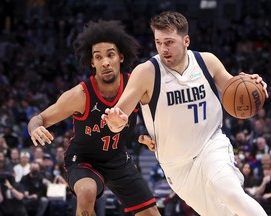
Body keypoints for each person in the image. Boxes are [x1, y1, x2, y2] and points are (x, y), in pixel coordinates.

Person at [102, 11, 269, 216]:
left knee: (231, 193)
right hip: (177, 166)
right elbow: (117, 117)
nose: (164, 49)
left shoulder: (207, 62)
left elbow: (236, 90)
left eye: (169, 42)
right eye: (158, 42)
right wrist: (116, 123)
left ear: (186, 40)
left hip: (211, 145)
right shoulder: (146, 73)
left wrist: (252, 86)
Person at [27, 20, 160, 216]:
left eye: (110, 55)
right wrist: (35, 128)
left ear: (121, 57)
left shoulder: (135, 85)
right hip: (83, 160)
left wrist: (149, 136)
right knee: (87, 192)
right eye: (98, 57)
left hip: (118, 159)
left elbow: (154, 115)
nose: (105, 61)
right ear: (92, 62)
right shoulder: (80, 95)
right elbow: (38, 118)